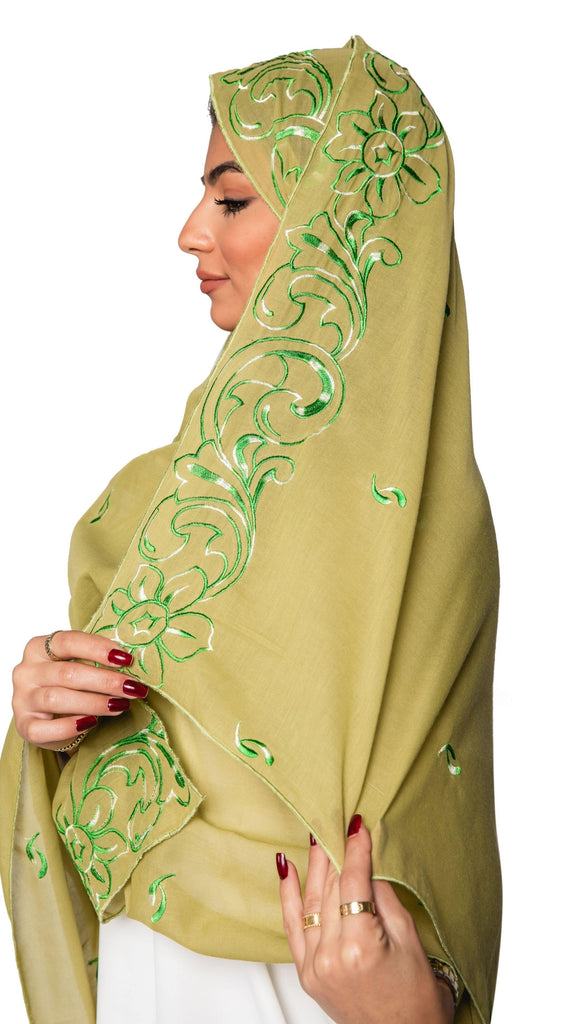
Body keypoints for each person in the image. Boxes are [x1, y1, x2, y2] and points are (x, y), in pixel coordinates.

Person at [1, 36, 501, 1024]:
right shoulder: (156, 504)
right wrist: (47, 722)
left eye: (232, 199)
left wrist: (407, 1014)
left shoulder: (412, 523)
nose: (192, 232)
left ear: (337, 223)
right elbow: (106, 838)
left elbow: (430, 862)